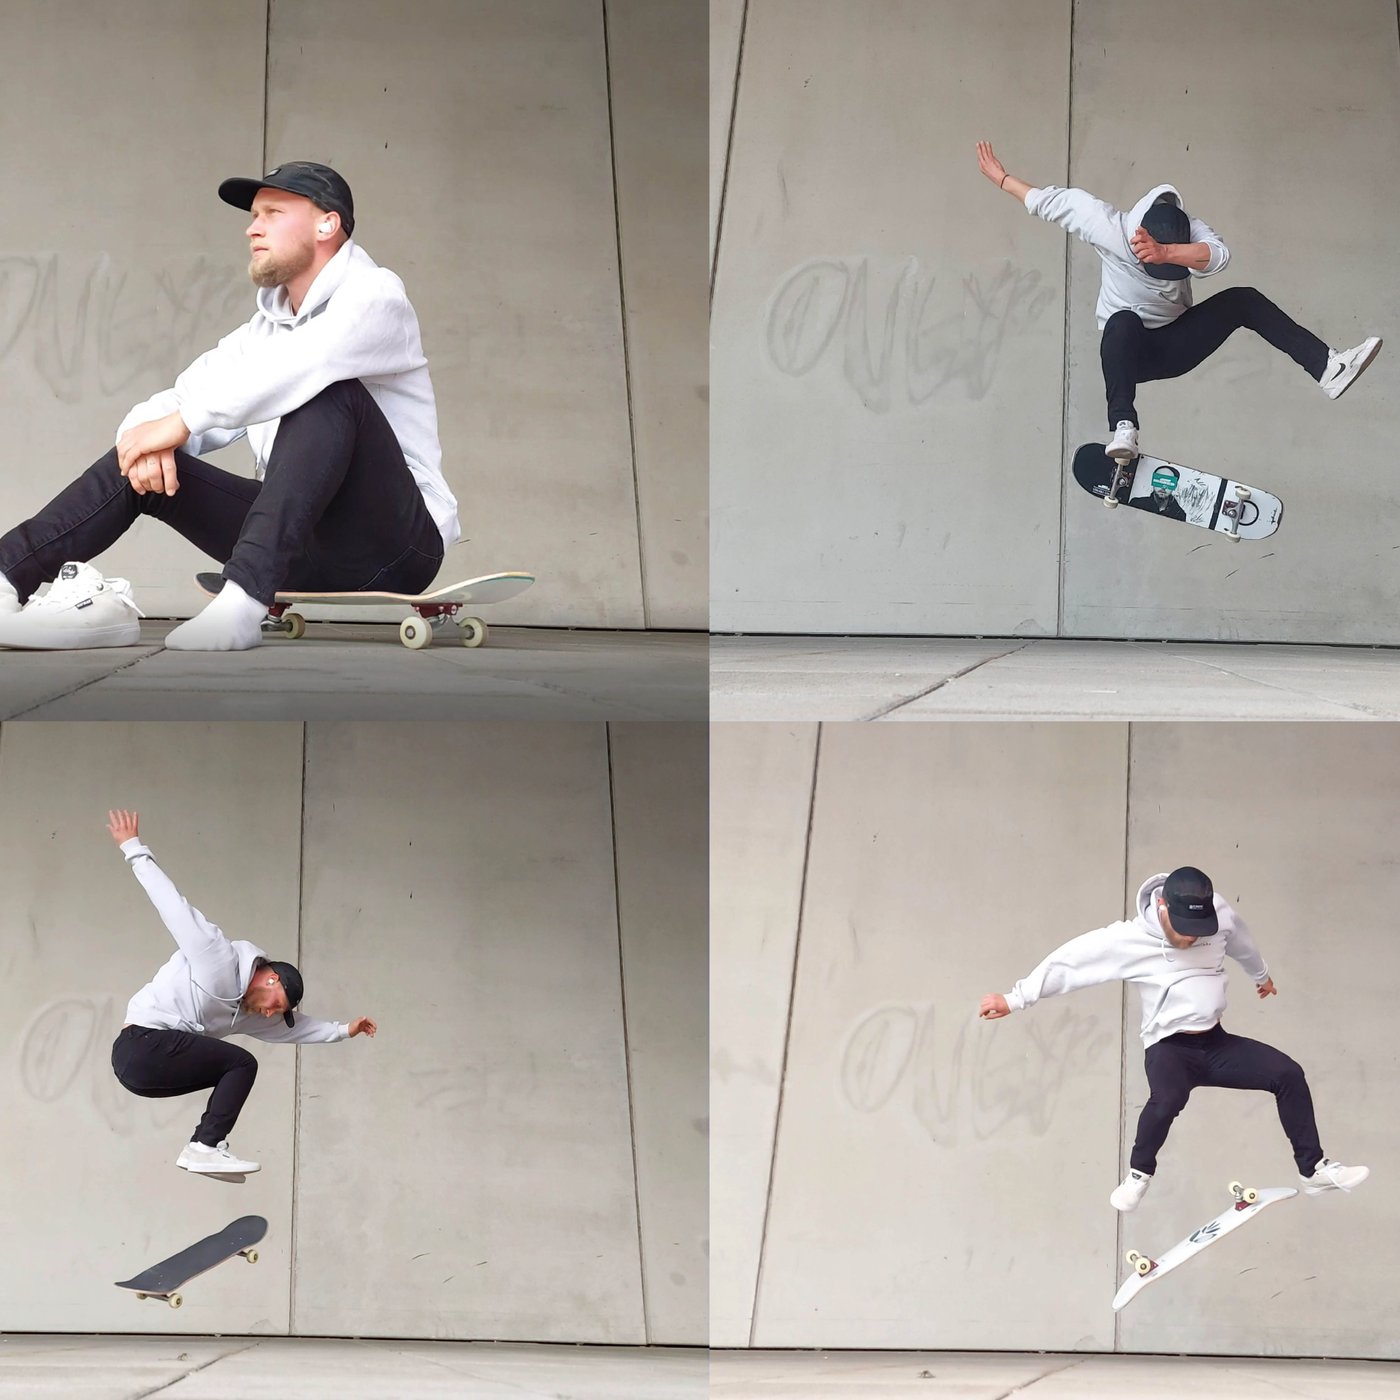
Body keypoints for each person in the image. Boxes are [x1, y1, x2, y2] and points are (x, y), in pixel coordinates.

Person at [0, 161, 459, 652]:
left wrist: (182, 423)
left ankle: (241, 603)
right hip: (295, 547)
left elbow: (306, 364)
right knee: (145, 461)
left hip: (396, 545)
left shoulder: (377, 295)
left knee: (328, 391)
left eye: (272, 212)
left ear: (327, 224)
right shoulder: (260, 332)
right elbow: (178, 397)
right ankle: (7, 576)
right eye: (253, 215)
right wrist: (151, 438)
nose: (252, 227)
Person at [978, 866, 1369, 1211]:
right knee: (1168, 1099)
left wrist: (1260, 974)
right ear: (1162, 907)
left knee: (1288, 1074)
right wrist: (1015, 998)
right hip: (1169, 1049)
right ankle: (1137, 1176)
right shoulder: (1127, 939)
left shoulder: (1219, 915)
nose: (1189, 941)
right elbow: (1072, 961)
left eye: (1198, 934)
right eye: (1183, 933)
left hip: (1216, 1045)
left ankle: (1313, 1171)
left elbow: (1242, 941)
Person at [976, 142, 1381, 465]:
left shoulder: (1193, 232)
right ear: (1135, 235)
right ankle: (1123, 430)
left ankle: (1327, 367)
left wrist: (1169, 253)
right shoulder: (1106, 224)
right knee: (1121, 321)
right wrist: (1002, 179)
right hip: (1130, 353)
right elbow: (1047, 203)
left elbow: (1220, 257)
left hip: (1177, 345)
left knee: (1245, 300)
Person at [106, 809, 377, 1175]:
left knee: (233, 1069)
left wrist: (345, 1029)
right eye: (274, 1004)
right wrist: (132, 848)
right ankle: (204, 1146)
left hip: (144, 1076)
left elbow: (297, 1030)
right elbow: (173, 906)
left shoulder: (250, 1014)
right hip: (141, 1044)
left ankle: (204, 1146)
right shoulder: (216, 954)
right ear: (270, 979)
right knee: (241, 1063)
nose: (268, 1015)